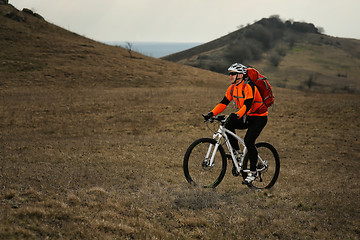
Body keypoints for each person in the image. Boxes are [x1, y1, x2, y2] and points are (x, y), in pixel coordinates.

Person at [203, 63, 268, 185]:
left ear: (240, 75)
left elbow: (247, 106)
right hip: (246, 116)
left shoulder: (249, 87)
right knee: (228, 124)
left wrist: (237, 115)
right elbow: (223, 103)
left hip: (259, 118)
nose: (230, 76)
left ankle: (253, 172)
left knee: (249, 141)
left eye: (233, 73)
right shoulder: (232, 88)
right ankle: (237, 153)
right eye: (230, 73)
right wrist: (211, 113)